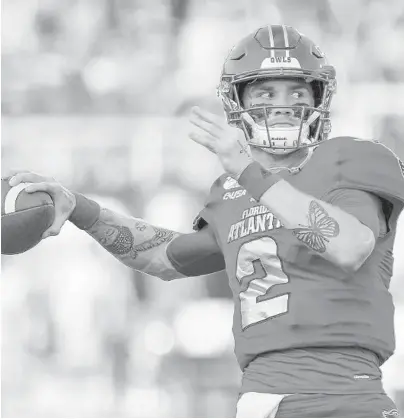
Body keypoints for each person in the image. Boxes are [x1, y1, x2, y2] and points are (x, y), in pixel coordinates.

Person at [5, 25, 404, 418]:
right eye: (266, 92)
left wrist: (250, 173)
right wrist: (81, 209)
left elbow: (350, 246)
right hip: (259, 400)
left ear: (319, 98)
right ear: (237, 103)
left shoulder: (351, 157)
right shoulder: (231, 192)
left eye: (297, 91)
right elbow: (164, 255)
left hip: (340, 399)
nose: (283, 104)